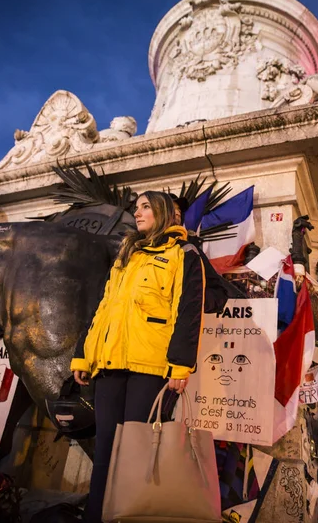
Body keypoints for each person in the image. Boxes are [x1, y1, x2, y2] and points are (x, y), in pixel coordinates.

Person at [71, 191, 205, 523]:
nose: (138, 212)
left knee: (135, 453)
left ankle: (126, 516)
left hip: (150, 369)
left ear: (161, 211)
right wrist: (83, 356)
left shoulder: (183, 253)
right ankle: (95, 517)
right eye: (136, 207)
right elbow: (103, 309)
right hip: (110, 365)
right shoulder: (126, 256)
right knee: (103, 453)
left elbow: (188, 312)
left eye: (145, 206)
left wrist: (180, 365)